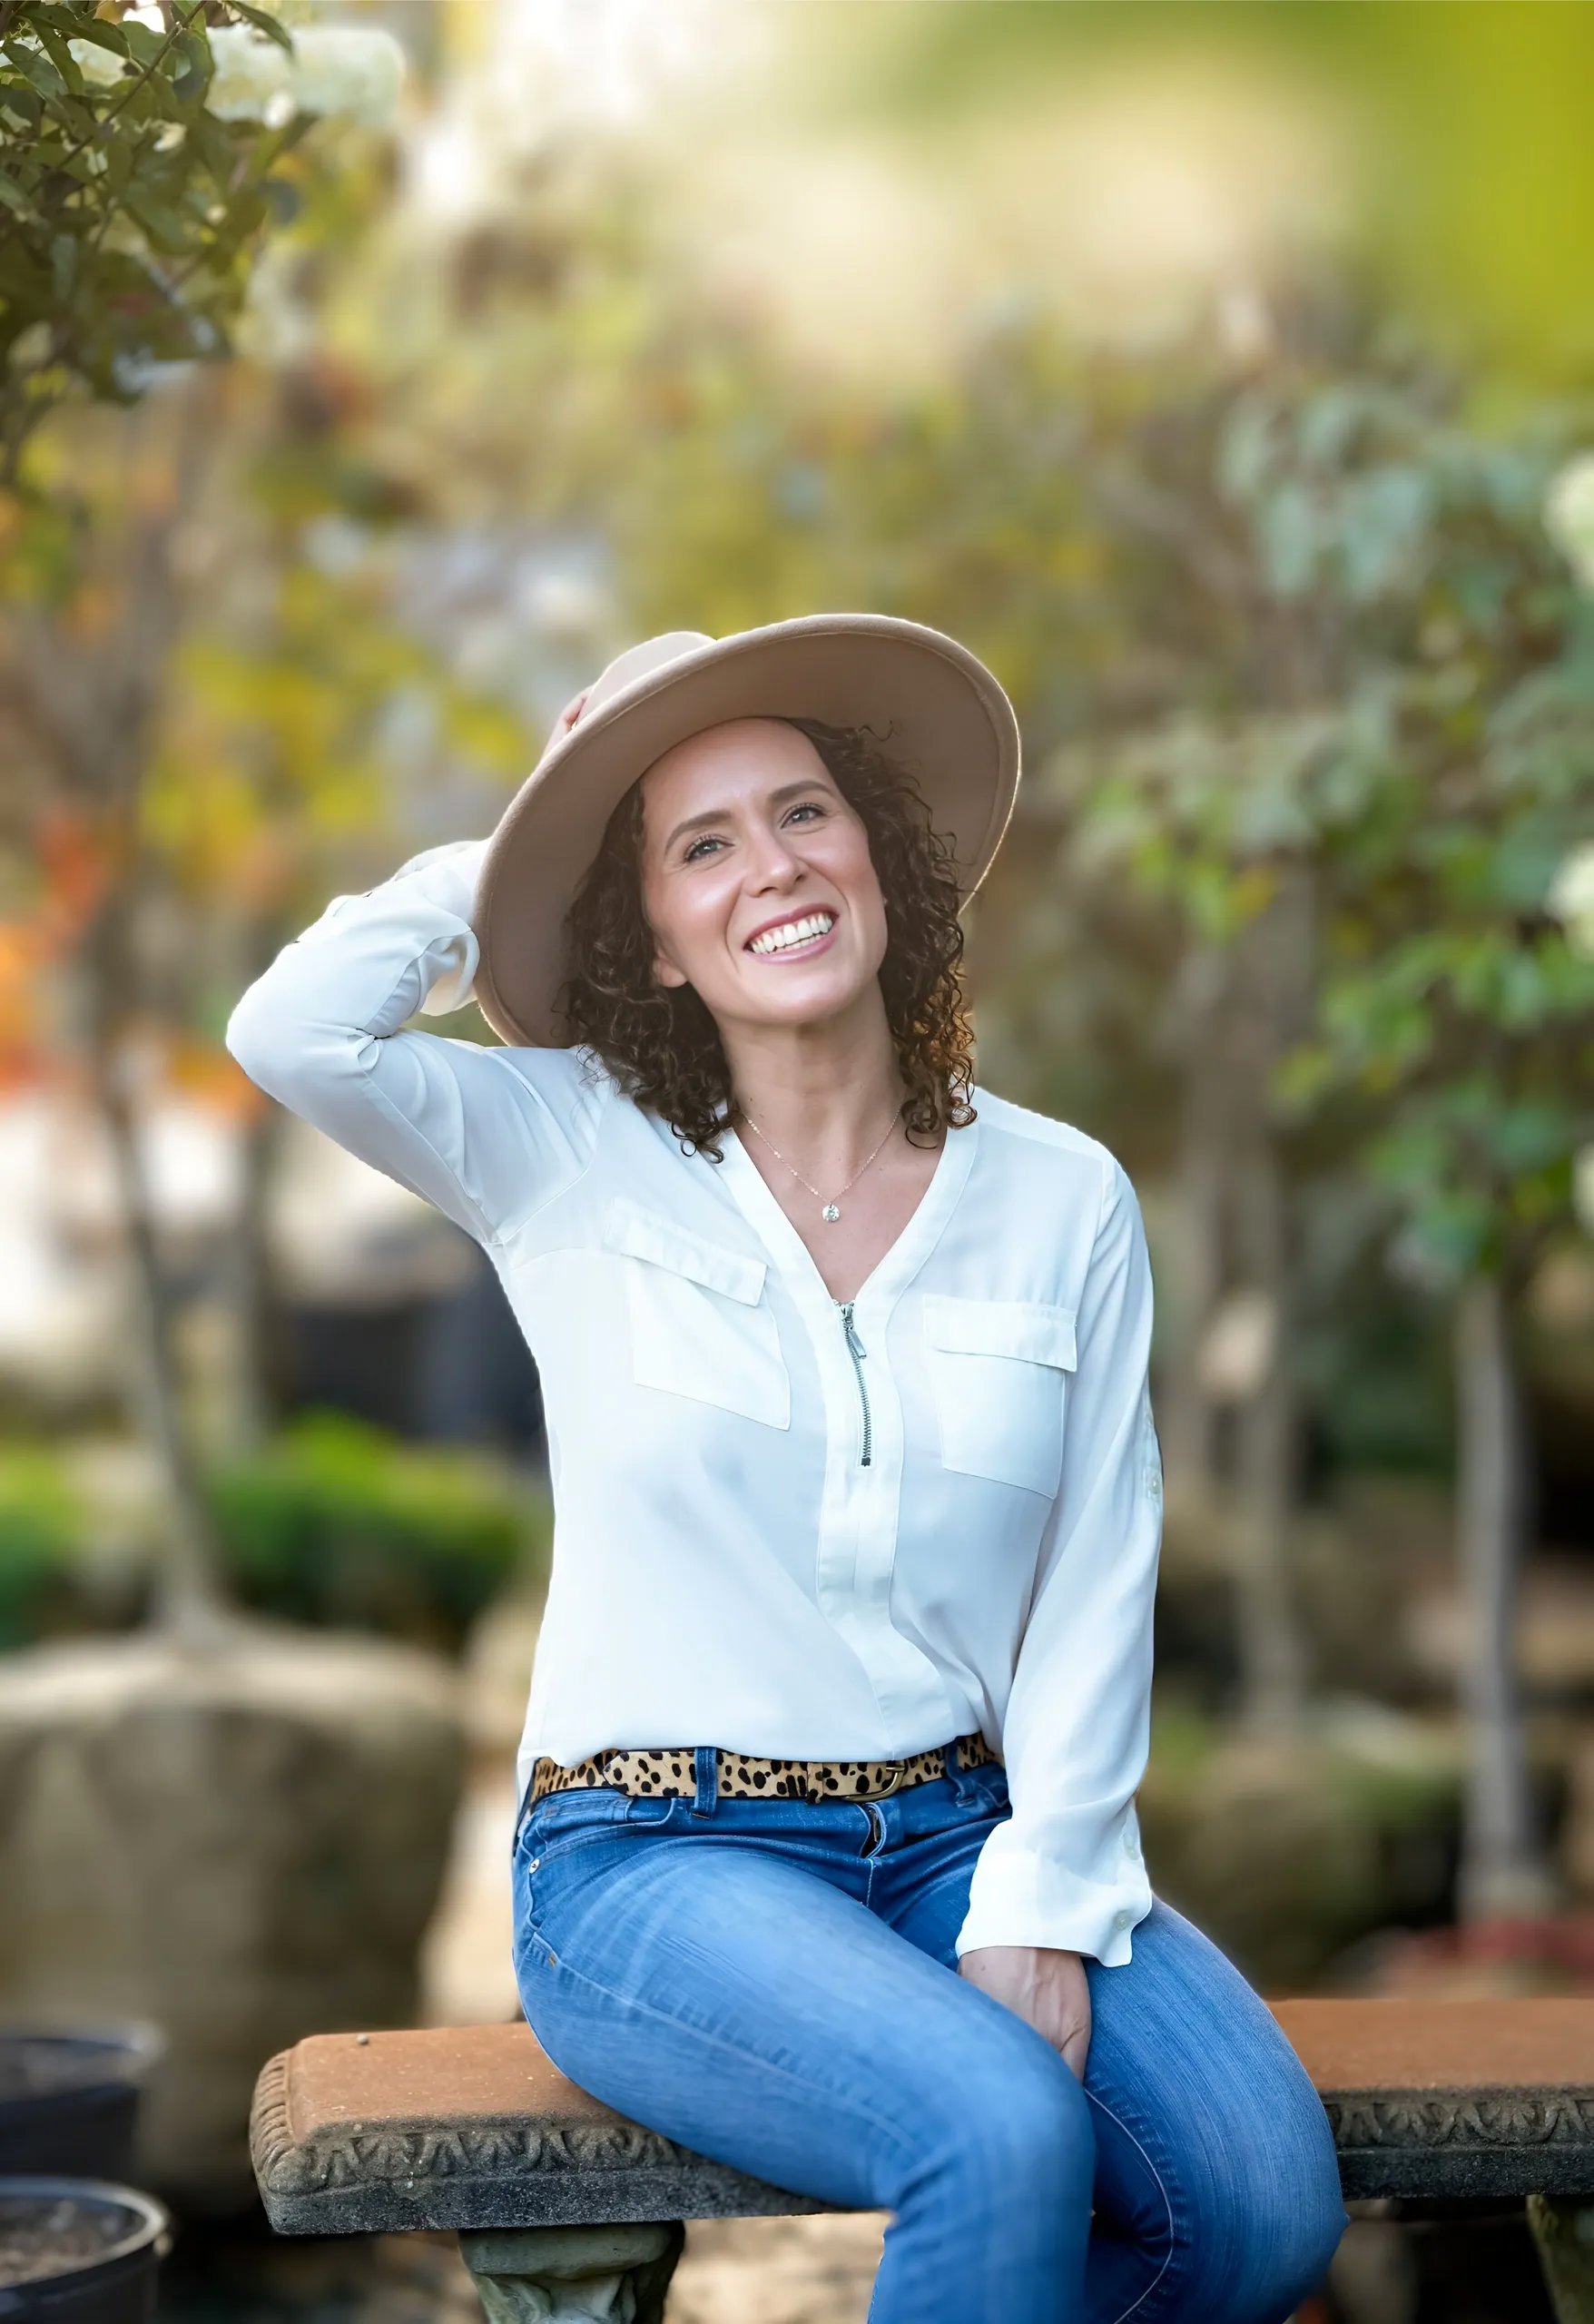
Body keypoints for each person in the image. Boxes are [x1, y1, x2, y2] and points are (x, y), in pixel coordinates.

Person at [228, 615, 1345, 2323]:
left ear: (883, 859)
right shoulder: (565, 1149)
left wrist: (1043, 1895)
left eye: (806, 811)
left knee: (1262, 2208)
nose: (774, 867)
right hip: (651, 1859)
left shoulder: (1065, 1199)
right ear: (655, 937)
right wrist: (531, 829)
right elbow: (296, 1030)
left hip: (966, 1830)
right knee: (999, 2132)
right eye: (702, 844)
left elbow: (1098, 1578)